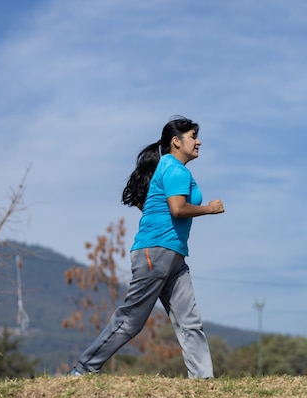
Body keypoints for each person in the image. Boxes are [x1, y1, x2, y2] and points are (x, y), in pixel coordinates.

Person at [69, 115, 224, 378]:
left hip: (173, 256)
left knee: (189, 321)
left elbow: (154, 206)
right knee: (132, 320)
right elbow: (177, 208)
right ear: (176, 141)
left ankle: (203, 381)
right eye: (193, 136)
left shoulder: (172, 168)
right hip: (156, 253)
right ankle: (83, 370)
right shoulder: (174, 168)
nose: (198, 142)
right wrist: (209, 209)